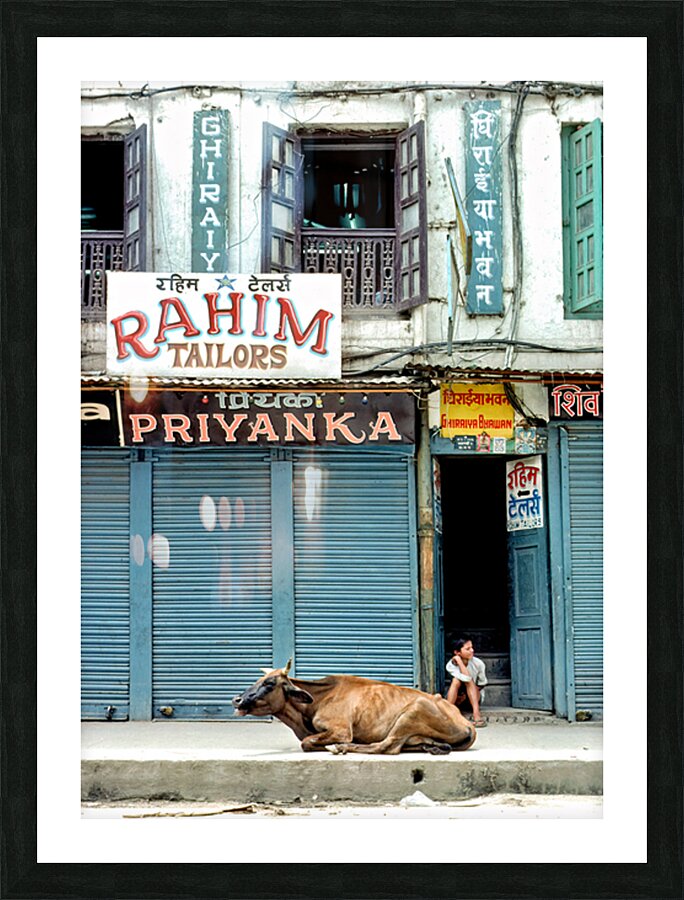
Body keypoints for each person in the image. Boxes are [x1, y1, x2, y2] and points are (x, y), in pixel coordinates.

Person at [446, 638, 488, 727]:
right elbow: (466, 678)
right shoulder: (450, 665)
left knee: (470, 682)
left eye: (472, 647)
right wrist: (460, 662)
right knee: (456, 680)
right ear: (457, 652)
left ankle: (477, 715)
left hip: (474, 698)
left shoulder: (478, 663)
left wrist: (469, 694)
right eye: (468, 649)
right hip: (458, 700)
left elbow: (481, 683)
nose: (472, 650)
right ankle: (447, 713)